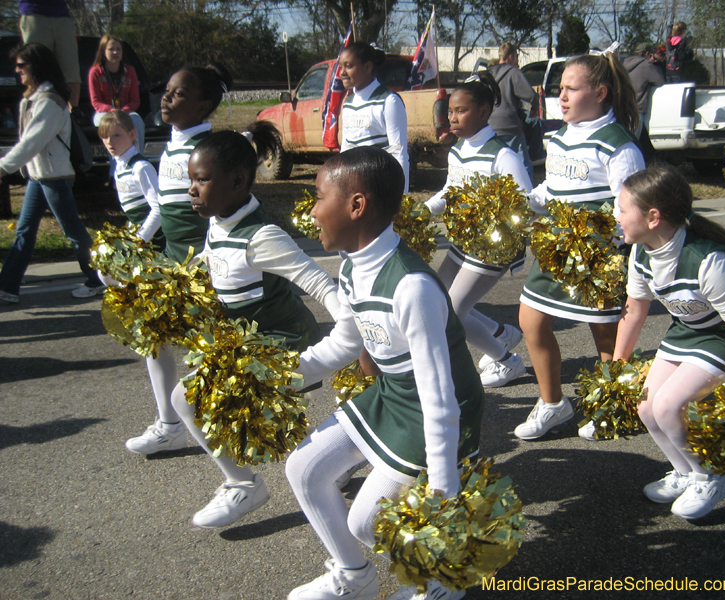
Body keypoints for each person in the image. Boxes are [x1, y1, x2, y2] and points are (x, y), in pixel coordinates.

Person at [285, 146, 483, 600]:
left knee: (366, 520)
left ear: (357, 206)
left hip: (438, 408)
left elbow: (440, 399)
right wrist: (285, 375)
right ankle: (354, 577)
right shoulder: (354, 267)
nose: (312, 211)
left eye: (319, 197)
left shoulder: (411, 287)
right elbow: (349, 341)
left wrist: (442, 491)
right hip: (394, 393)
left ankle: (442, 582)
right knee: (305, 467)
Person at [164, 130, 341, 528]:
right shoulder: (220, 221)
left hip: (281, 347)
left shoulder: (262, 237)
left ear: (238, 182)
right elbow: (213, 263)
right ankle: (329, 463)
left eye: (201, 180)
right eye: (191, 180)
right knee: (259, 420)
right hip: (245, 345)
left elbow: (318, 283)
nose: (191, 189)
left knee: (190, 399)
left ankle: (244, 484)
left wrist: (349, 330)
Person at [614, 165, 725, 519]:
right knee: (646, 404)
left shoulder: (708, 261)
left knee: (668, 405)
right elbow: (634, 312)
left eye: (622, 208)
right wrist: (616, 366)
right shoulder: (640, 253)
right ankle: (684, 471)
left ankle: (710, 476)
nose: (616, 215)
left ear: (653, 217)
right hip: (689, 328)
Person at [515, 52, 645, 441]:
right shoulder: (558, 137)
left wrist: (614, 255)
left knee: (605, 337)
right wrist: (522, 201)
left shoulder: (618, 146)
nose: (562, 97)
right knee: (531, 321)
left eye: (571, 88)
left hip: (598, 257)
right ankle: (553, 403)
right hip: (555, 251)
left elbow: (631, 211)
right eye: (560, 90)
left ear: (601, 92)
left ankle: (611, 403)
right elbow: (552, 189)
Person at [124, 62, 234, 456]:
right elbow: (164, 207)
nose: (167, 98)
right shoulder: (172, 143)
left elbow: (221, 215)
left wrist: (204, 265)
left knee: (220, 355)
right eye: (167, 90)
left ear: (203, 105)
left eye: (179, 93)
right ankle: (169, 425)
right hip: (171, 261)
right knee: (152, 339)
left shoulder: (208, 151)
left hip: (199, 268)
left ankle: (275, 434)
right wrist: (140, 244)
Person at [425, 71, 534, 388]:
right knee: (438, 300)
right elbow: (450, 191)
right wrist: (422, 210)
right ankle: (502, 333)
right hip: (464, 242)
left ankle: (507, 362)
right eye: (450, 112)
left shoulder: (503, 155)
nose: (453, 118)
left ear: (484, 112)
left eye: (461, 111)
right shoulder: (458, 150)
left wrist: (497, 220)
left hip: (493, 245)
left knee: (452, 311)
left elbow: (525, 203)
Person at [0, 43, 104, 304]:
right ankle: (7, 287)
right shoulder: (33, 99)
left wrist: (3, 168)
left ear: (37, 67)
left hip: (54, 177)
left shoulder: (51, 102)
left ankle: (98, 278)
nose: (17, 70)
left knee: (75, 233)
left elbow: (31, 143)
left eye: (22, 65)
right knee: (25, 230)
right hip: (40, 177)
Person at [339, 42, 410, 193]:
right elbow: (345, 150)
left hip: (379, 187)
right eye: (341, 67)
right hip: (353, 187)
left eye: (349, 66)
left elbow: (399, 153)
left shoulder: (389, 101)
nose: (342, 72)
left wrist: (401, 198)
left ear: (367, 67)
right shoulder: (348, 104)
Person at [98, 110, 163, 249]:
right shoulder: (120, 168)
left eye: (116, 135)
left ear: (132, 134)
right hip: (140, 237)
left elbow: (159, 209)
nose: (110, 142)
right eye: (105, 136)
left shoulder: (140, 167)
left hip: (155, 241)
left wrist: (140, 238)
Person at [89, 35, 146, 174]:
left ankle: (137, 164)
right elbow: (96, 102)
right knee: (110, 125)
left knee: (137, 120)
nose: (115, 52)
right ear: (103, 51)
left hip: (125, 111)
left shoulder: (130, 71)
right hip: (104, 112)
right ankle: (116, 171)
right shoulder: (95, 72)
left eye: (118, 49)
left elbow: (135, 100)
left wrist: (125, 110)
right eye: (111, 49)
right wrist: (111, 110)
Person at [488, 42, 538, 180]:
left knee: (494, 164)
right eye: (516, 56)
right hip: (509, 126)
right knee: (523, 164)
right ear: (511, 56)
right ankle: (527, 195)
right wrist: (534, 109)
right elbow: (531, 95)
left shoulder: (488, 74)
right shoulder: (513, 73)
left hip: (489, 126)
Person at [18, 0, 80, 108]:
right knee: (36, 73)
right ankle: (36, 115)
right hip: (34, 14)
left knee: (71, 76)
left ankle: (73, 118)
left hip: (62, 15)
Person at [623, 43, 664, 162]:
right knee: (633, 143)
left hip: (622, 107)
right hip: (637, 108)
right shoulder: (646, 66)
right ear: (647, 53)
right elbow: (660, 81)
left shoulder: (624, 64)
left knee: (625, 141)